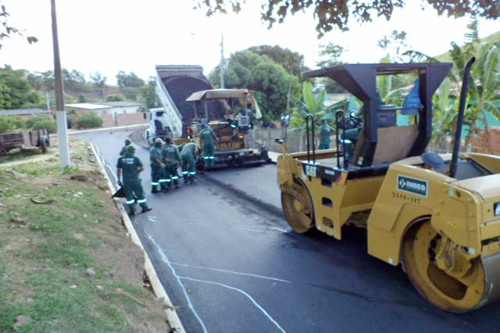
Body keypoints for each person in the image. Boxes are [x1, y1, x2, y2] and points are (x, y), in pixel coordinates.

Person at [116, 145, 152, 216]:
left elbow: (118, 170)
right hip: (135, 179)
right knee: (140, 193)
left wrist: (118, 179)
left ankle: (132, 210)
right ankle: (144, 207)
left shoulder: (121, 159)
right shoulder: (136, 158)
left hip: (126, 180)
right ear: (132, 151)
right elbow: (142, 168)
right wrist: (137, 171)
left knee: (129, 195)